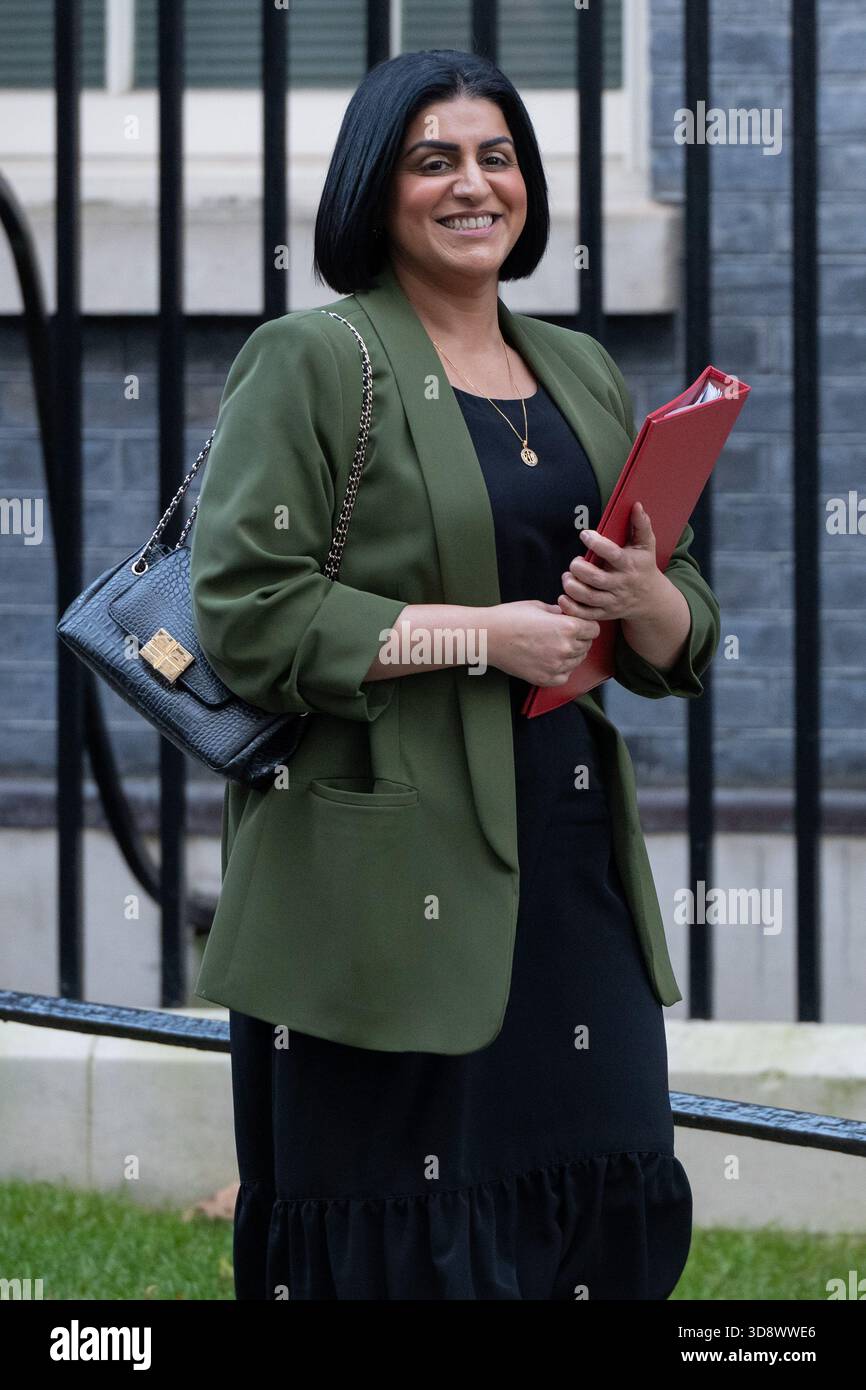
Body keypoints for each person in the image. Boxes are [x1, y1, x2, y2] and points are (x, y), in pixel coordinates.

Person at [190, 48, 721, 1301]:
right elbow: (248, 615)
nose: (472, 185)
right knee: (402, 1225)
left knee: (596, 1171)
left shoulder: (576, 365)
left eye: (496, 158)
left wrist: (647, 604)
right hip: (387, 862)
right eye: (434, 160)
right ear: (377, 189)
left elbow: (679, 605)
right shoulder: (312, 359)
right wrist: (481, 632)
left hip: (568, 859)